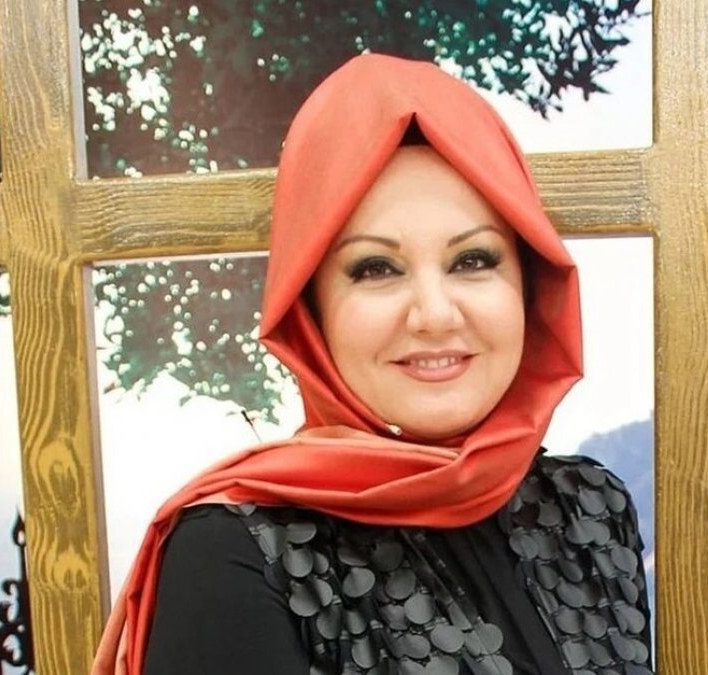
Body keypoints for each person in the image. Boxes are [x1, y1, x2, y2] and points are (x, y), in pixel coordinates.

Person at [92, 53, 653, 675]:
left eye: (473, 260)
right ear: (310, 308)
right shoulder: (234, 553)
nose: (434, 314)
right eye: (376, 268)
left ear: (528, 283)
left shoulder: (590, 508)